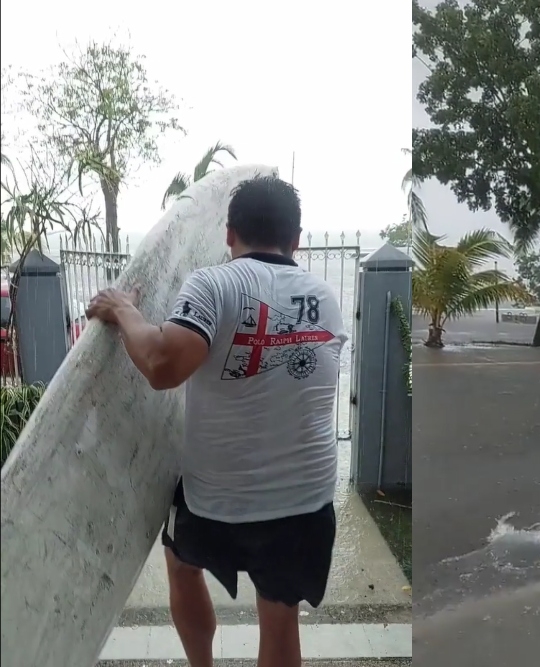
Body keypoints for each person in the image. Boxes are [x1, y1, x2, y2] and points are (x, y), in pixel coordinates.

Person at [86, 175, 347, 667]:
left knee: (183, 566)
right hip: (305, 502)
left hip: (216, 502)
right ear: (296, 240)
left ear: (229, 235)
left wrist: (124, 309)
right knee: (280, 615)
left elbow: (163, 365)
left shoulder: (215, 283)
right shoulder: (325, 298)